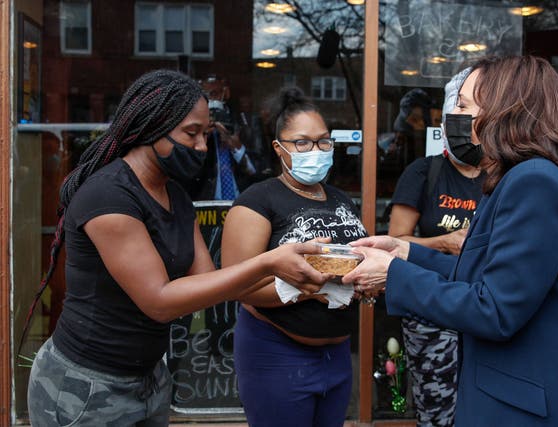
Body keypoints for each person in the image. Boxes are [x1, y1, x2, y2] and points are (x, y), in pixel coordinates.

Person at [26, 70, 332, 427]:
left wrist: (309, 279)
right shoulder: (108, 196)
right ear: (153, 126)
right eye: (192, 133)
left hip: (150, 379)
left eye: (205, 133)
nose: (202, 146)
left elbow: (209, 283)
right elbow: (159, 301)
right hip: (86, 384)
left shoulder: (176, 196)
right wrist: (269, 263)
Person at [343, 56, 558, 426]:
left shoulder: (534, 182)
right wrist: (407, 251)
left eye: (463, 105)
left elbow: (495, 309)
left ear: (505, 110)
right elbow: (489, 275)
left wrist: (393, 274)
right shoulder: (520, 177)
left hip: (546, 407)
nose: (454, 117)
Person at [221, 87, 368, 427]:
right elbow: (236, 286)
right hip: (277, 353)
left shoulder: (342, 199)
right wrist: (314, 288)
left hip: (338, 355)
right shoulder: (257, 200)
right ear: (279, 148)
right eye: (302, 142)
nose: (315, 150)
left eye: (323, 141)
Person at [387, 67, 484, 427]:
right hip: (430, 313)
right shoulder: (423, 172)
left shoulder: (500, 177)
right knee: (436, 411)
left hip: (480, 306)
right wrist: (442, 242)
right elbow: (396, 241)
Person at [181, 76, 259, 201]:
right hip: (206, 206)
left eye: (214, 94)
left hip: (242, 202)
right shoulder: (192, 127)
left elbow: (258, 172)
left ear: (225, 93)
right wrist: (202, 136)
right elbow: (186, 173)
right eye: (204, 96)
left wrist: (237, 148)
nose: (210, 100)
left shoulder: (243, 123)